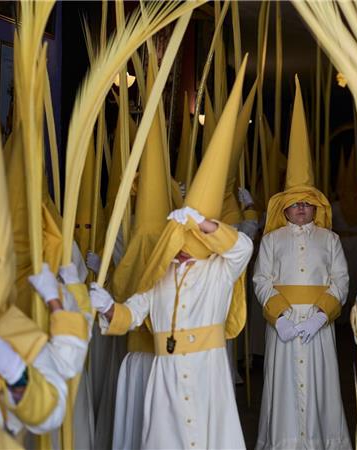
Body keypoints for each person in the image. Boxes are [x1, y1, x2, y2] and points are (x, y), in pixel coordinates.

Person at [89, 61, 252, 450]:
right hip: (164, 376)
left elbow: (241, 248)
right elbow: (133, 315)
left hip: (207, 373)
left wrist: (203, 224)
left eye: (187, 237)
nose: (182, 246)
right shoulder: (157, 276)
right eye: (178, 237)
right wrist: (108, 307)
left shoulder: (218, 272)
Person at [254, 76, 351, 450]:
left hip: (316, 324)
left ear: (316, 206)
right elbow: (261, 280)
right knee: (282, 388)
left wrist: (320, 315)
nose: (300, 208)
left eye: (306, 203)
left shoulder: (330, 240)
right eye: (294, 203)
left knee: (321, 385)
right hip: (283, 325)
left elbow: (340, 281)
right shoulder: (272, 239)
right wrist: (279, 317)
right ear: (283, 207)